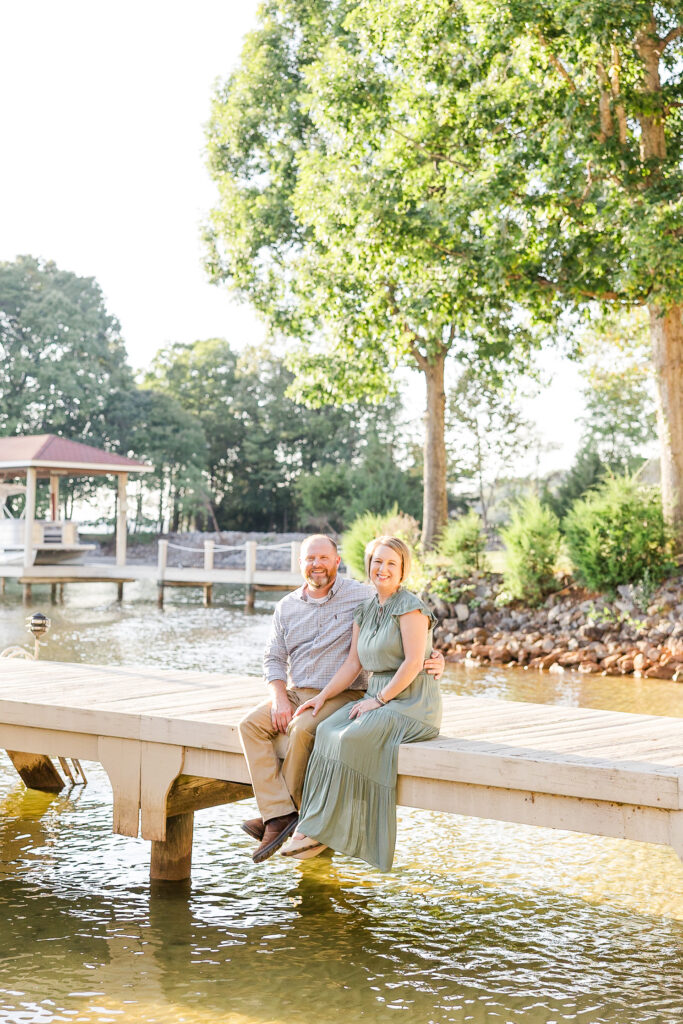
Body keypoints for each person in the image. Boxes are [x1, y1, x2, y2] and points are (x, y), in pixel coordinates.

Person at [238, 534, 444, 864]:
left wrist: (434, 658)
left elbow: (413, 641)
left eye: (324, 558)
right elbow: (281, 658)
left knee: (308, 729)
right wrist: (285, 698)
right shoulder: (295, 606)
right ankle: (280, 813)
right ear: (300, 563)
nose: (317, 564)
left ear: (337, 561)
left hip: (366, 695)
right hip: (304, 690)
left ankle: (296, 820)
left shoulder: (361, 595)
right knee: (250, 726)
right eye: (310, 558)